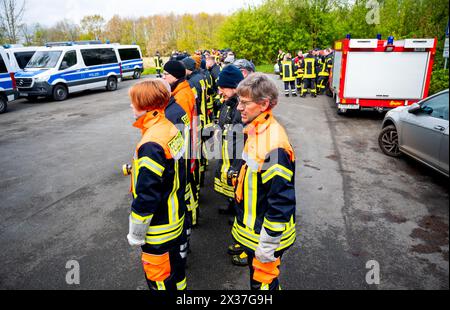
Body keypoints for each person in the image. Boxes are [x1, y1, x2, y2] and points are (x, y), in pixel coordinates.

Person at [233, 73, 297, 290]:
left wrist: (268, 243)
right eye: (238, 101)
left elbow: (281, 201)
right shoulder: (258, 130)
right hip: (255, 232)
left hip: (265, 236)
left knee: (263, 286)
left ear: (264, 104)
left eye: (244, 103)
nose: (239, 108)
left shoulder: (273, 144)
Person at [126, 79, 187, 291]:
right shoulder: (168, 127)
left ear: (146, 105)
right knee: (176, 271)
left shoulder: (151, 143)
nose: (131, 106)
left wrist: (136, 232)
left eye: (134, 102)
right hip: (175, 215)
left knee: (159, 278)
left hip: (159, 226)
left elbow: (147, 195)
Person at [163, 60, 198, 256]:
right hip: (186, 154)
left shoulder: (182, 96)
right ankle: (186, 232)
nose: (164, 78)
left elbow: (179, 131)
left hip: (182, 157)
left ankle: (184, 238)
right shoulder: (181, 91)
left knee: (184, 195)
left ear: (176, 76)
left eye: (166, 74)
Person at [213, 65, 247, 266]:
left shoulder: (240, 107)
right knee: (238, 206)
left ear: (234, 87)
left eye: (223, 88)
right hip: (230, 162)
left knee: (245, 210)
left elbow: (243, 142)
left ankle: (246, 249)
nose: (220, 91)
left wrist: (237, 166)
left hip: (239, 165)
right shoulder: (228, 103)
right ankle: (241, 241)